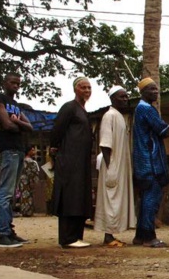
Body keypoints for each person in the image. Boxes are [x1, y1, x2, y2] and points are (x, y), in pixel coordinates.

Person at [51, 77, 94, 248]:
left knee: (80, 197)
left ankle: (77, 235)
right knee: (70, 196)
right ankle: (67, 238)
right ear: (75, 89)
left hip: (82, 161)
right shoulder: (69, 107)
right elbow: (57, 130)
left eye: (89, 87)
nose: (87, 90)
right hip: (70, 160)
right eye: (83, 87)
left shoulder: (83, 110)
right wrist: (54, 148)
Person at [0, 73, 32, 248]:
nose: (15, 85)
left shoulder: (16, 105)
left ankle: (9, 231)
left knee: (11, 194)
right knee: (5, 193)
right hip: (8, 149)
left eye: (18, 83)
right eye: (12, 82)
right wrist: (16, 124)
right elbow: (6, 125)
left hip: (19, 149)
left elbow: (29, 126)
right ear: (4, 82)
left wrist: (17, 123)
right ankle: (3, 234)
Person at [132, 77, 169, 248]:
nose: (155, 92)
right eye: (151, 89)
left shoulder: (140, 109)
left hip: (144, 161)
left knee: (146, 198)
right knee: (151, 198)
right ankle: (149, 236)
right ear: (142, 92)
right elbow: (164, 130)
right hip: (150, 161)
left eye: (156, 89)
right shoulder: (146, 109)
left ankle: (140, 236)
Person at [94, 85, 135, 247]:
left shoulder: (119, 116)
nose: (125, 100)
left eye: (126, 96)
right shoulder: (109, 116)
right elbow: (105, 144)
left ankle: (111, 235)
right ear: (112, 99)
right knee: (110, 199)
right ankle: (108, 236)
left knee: (116, 200)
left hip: (120, 166)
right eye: (121, 97)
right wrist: (110, 166)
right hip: (112, 165)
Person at [16, 145, 40, 217]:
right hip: (28, 180)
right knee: (28, 195)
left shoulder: (22, 160)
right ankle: (28, 211)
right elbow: (33, 172)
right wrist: (33, 181)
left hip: (22, 180)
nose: (34, 151)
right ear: (28, 152)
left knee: (23, 196)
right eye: (32, 150)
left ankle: (24, 210)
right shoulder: (30, 161)